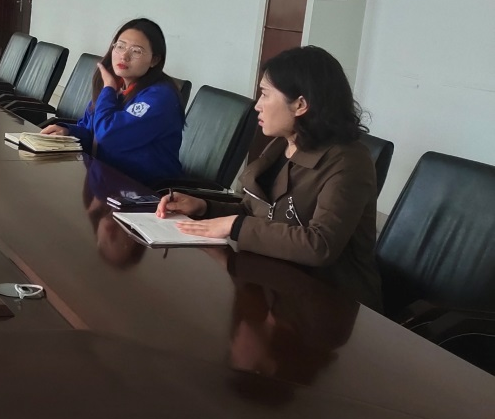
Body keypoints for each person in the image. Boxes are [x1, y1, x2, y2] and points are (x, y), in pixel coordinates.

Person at [159, 45, 380, 308]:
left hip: (331, 302)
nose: (257, 106)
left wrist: (234, 226)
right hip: (274, 284)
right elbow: (256, 212)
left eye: (265, 94)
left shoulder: (348, 162)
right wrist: (205, 207)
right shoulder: (282, 145)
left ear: (300, 105)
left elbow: (320, 245)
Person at [41, 17, 183, 185]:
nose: (124, 56)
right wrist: (68, 132)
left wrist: (108, 88)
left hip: (144, 189)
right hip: (105, 177)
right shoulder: (119, 86)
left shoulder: (160, 97)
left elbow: (107, 136)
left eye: (136, 51)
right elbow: (91, 131)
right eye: (120, 46)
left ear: (154, 60)